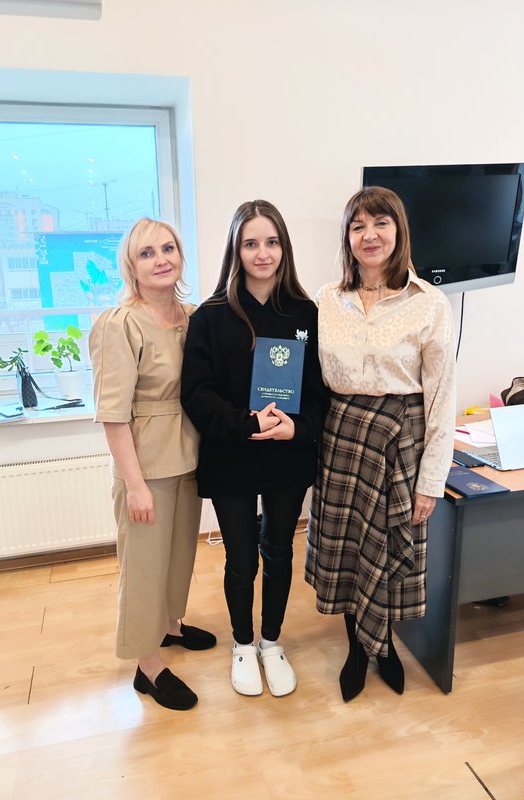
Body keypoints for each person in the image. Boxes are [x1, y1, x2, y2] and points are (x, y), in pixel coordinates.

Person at [305, 186, 456, 702]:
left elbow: (442, 398)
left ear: (398, 231)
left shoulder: (430, 303)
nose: (369, 235)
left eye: (380, 223)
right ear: (347, 237)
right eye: (358, 226)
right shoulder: (327, 299)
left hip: (401, 441)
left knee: (391, 545)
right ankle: (356, 647)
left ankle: (385, 645)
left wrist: (431, 481)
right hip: (341, 438)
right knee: (348, 550)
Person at [181, 200, 327, 697]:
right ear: (236, 250)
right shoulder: (210, 316)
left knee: (280, 552)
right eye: (251, 243)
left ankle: (270, 642)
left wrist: (297, 428)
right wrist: (246, 423)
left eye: (272, 242)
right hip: (232, 457)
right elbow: (196, 394)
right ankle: (242, 644)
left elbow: (321, 393)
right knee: (241, 559)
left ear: (284, 247)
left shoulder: (307, 313)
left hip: (287, 457)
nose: (262, 253)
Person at [89, 218, 216, 712]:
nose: (161, 259)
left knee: (179, 555)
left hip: (189, 455)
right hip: (145, 463)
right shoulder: (119, 324)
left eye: (168, 249)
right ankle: (148, 665)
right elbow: (113, 415)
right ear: (131, 265)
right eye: (147, 253)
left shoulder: (193, 317)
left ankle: (169, 626)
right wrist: (135, 484)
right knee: (143, 566)